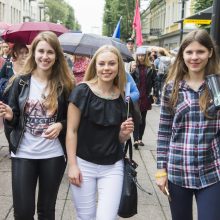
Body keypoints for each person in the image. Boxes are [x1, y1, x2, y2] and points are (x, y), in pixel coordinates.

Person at [0, 31, 74, 220]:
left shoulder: (65, 84)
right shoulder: (20, 82)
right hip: (24, 153)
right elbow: (15, 119)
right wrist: (10, 116)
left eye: (50, 52)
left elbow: (73, 120)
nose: (44, 56)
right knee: (23, 213)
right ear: (34, 53)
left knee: (46, 211)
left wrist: (60, 125)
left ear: (57, 55)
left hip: (54, 155)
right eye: (40, 51)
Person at [156, 29, 220, 220]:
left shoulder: (217, 85)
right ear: (182, 55)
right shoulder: (172, 87)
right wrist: (161, 169)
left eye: (200, 51)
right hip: (178, 170)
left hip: (212, 171)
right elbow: (164, 132)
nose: (194, 57)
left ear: (209, 52)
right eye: (189, 52)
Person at [66, 45, 134, 220]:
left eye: (111, 64)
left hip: (112, 166)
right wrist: (72, 165)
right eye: (101, 63)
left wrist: (124, 134)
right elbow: (71, 131)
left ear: (118, 66)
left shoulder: (122, 97)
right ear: (94, 65)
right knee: (86, 216)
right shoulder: (82, 91)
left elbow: (118, 138)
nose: (106, 68)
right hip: (83, 164)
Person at [131, 46, 157, 149]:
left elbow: (155, 82)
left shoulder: (151, 67)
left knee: (143, 118)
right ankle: (136, 139)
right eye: (139, 55)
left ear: (145, 56)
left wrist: (155, 94)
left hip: (145, 96)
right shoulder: (134, 67)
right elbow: (130, 81)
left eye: (142, 55)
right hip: (136, 96)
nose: (140, 57)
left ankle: (140, 138)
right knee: (136, 118)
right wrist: (132, 71)